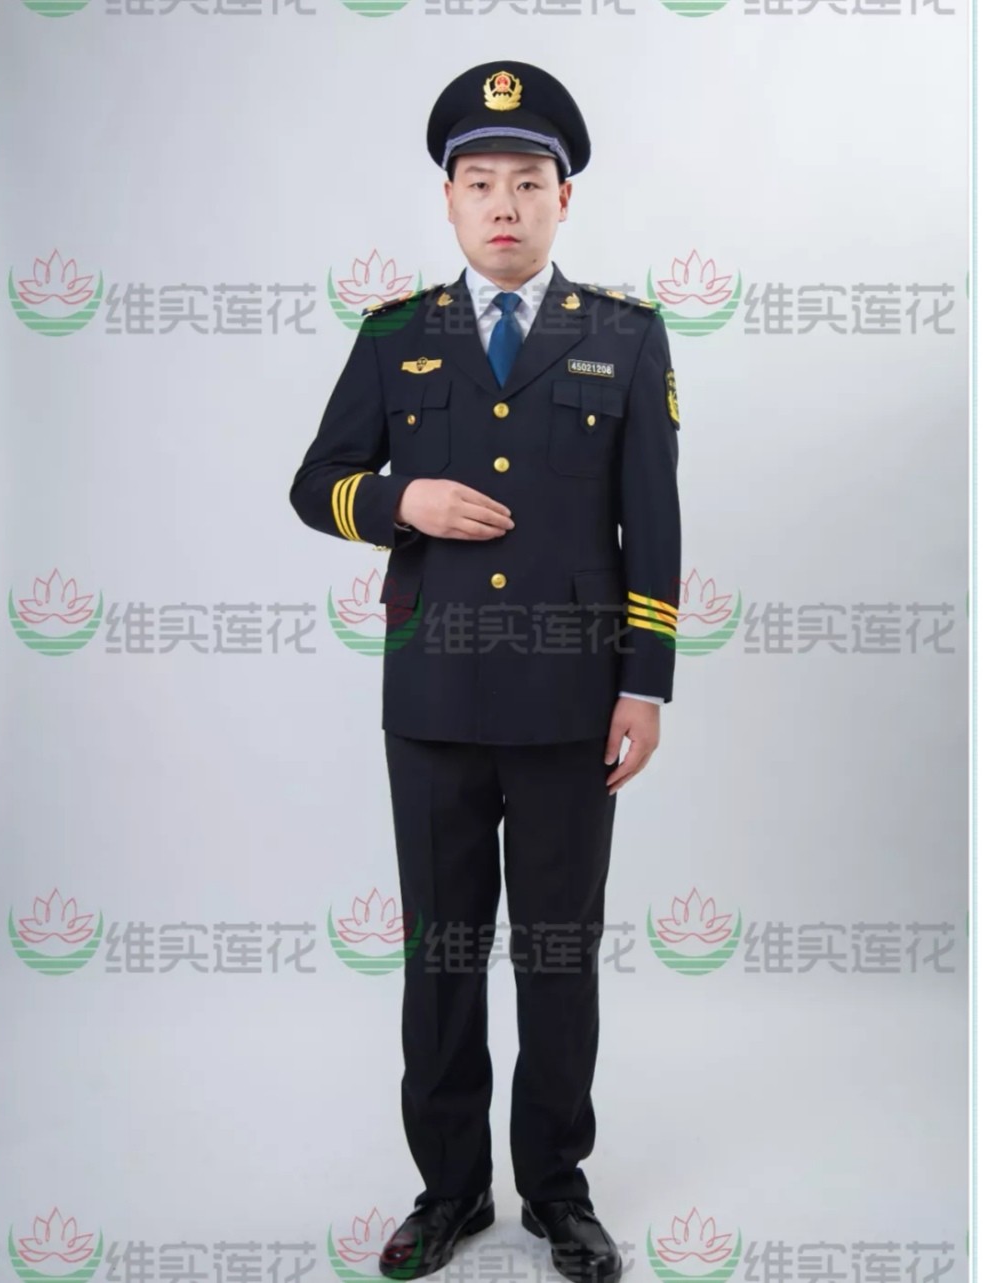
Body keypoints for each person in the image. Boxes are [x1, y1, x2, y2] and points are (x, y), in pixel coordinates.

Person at [289, 59, 682, 1283]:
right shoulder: (396, 335)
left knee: (558, 955)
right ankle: (451, 1188)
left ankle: (559, 1190)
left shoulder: (623, 335)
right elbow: (316, 483)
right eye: (479, 182)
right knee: (444, 955)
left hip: (572, 701)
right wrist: (399, 499)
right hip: (436, 700)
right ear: (450, 200)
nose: (503, 203)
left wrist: (645, 683)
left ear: (564, 199)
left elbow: (654, 521)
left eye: (526, 181)